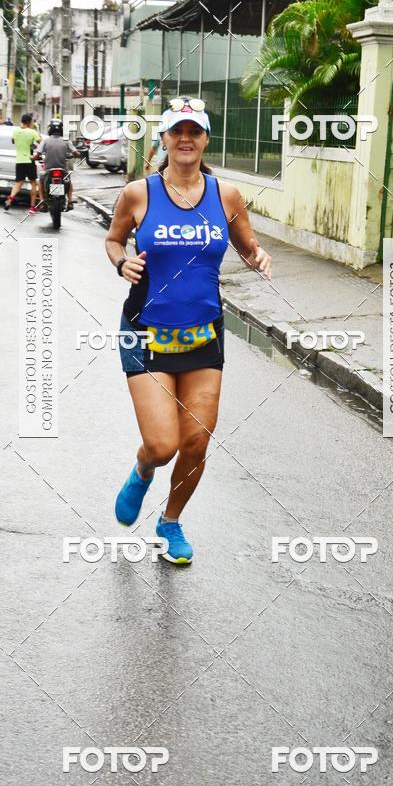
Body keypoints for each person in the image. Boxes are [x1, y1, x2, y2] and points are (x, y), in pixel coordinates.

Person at [105, 97, 271, 564]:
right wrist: (122, 263)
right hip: (145, 331)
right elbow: (114, 238)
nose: (184, 139)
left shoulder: (226, 196)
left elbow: (247, 244)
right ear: (163, 139)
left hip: (203, 333)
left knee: (196, 440)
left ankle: (170, 522)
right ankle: (142, 470)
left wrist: (258, 256)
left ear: (205, 139)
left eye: (193, 131)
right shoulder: (139, 193)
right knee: (162, 444)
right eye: (176, 131)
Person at [33, 119, 80, 211]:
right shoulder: (66, 141)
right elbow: (76, 153)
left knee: (40, 181)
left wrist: (32, 158)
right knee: (69, 181)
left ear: (49, 129)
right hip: (63, 170)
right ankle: (70, 201)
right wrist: (75, 154)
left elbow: (37, 155)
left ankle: (42, 201)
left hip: (48, 170)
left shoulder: (45, 141)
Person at [5, 113, 41, 213]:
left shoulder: (16, 131)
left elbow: (13, 141)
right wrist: (36, 133)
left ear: (22, 121)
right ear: (29, 122)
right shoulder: (32, 132)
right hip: (30, 160)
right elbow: (41, 143)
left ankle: (10, 199)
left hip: (19, 161)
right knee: (33, 183)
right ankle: (32, 207)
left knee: (18, 183)